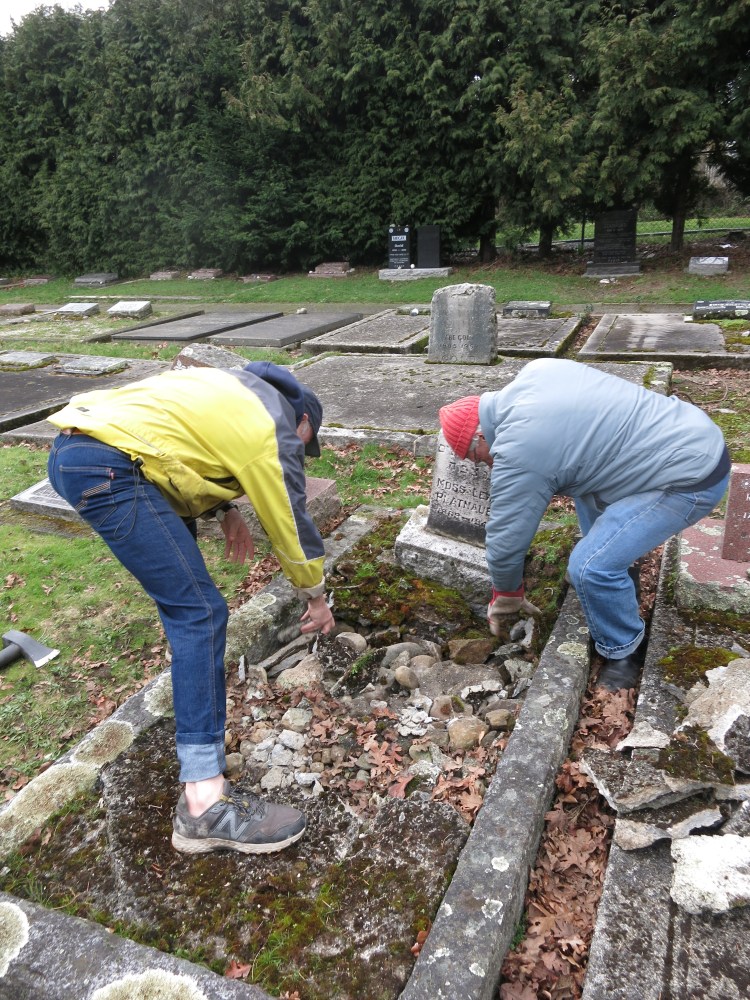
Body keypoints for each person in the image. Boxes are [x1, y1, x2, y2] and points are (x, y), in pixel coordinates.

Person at [47, 361, 335, 854]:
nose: (300, 452)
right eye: (305, 443)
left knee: (188, 604)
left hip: (79, 452)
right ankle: (204, 801)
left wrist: (226, 509)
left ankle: (194, 724)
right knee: (199, 611)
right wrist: (316, 596)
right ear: (302, 421)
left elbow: (180, 447)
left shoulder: (229, 386)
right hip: (111, 469)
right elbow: (290, 520)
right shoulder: (275, 425)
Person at [438, 359, 730, 692]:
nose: (485, 465)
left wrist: (507, 594)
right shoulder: (536, 373)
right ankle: (621, 578)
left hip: (690, 479)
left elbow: (507, 537)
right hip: (688, 434)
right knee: (584, 490)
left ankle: (625, 650)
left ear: (479, 433)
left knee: (589, 566)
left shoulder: (520, 446)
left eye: (477, 457)